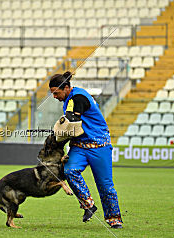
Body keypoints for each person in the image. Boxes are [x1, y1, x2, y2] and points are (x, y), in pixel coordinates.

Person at [49, 71, 123, 228]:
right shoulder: (68, 99)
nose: (54, 96)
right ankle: (88, 204)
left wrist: (56, 135)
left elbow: (72, 122)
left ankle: (114, 218)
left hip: (99, 146)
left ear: (67, 87)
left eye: (56, 92)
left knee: (105, 185)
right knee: (69, 171)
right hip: (80, 147)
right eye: (52, 93)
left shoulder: (79, 97)